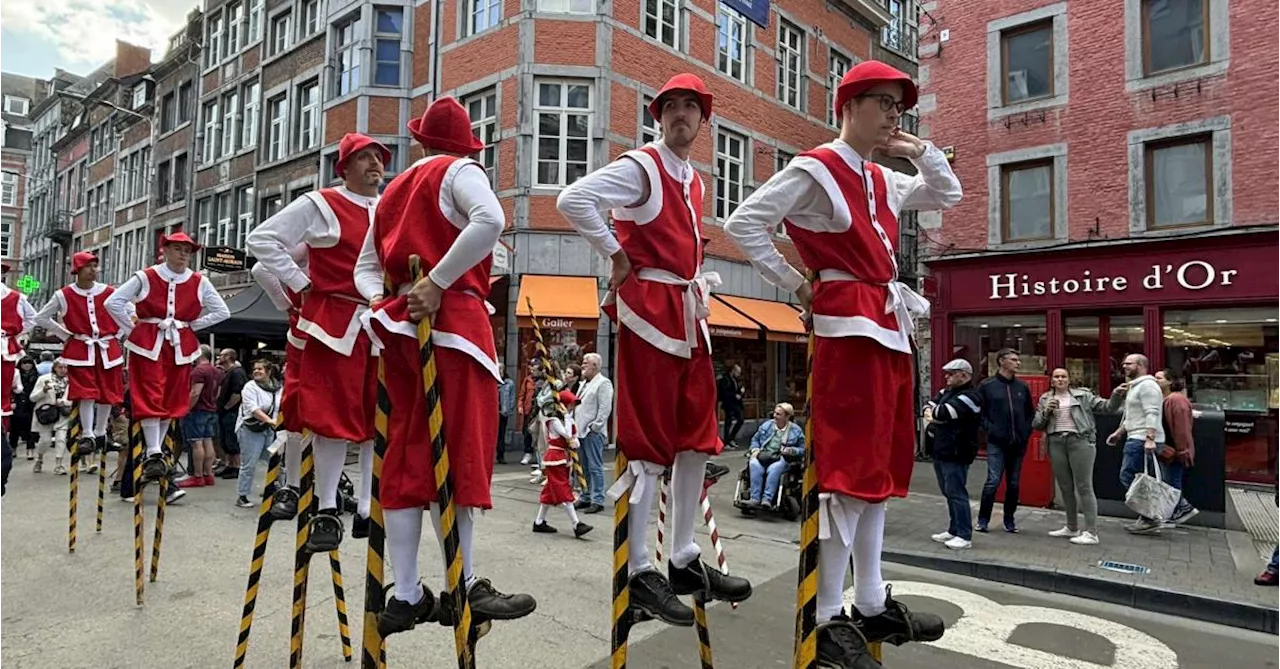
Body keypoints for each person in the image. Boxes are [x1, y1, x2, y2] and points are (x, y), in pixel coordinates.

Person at [723, 60, 960, 667]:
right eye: (883, 102)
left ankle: (872, 597)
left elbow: (947, 192)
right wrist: (795, 284)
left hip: (885, 324)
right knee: (846, 475)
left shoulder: (883, 177)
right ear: (849, 105)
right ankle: (829, 614)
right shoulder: (815, 168)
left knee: (877, 472)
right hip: (848, 323)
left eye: (898, 106)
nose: (892, 114)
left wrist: (920, 147)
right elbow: (746, 221)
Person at [558, 73, 753, 627]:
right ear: (659, 116)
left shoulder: (692, 178)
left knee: (697, 438)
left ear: (702, 120)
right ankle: (641, 568)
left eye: (691, 107)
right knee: (648, 445)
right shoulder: (643, 166)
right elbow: (576, 199)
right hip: (651, 314)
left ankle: (685, 556)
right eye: (671, 107)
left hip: (687, 313)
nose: (681, 115)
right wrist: (616, 254)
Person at [354, 97, 537, 636]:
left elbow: (365, 269)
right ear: (466, 144)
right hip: (452, 322)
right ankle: (466, 582)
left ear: (421, 140)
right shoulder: (460, 171)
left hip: (399, 327)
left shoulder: (391, 192)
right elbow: (491, 220)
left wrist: (383, 299)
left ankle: (407, 592)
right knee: (459, 454)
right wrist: (436, 283)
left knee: (410, 456)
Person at [246, 133, 389, 549]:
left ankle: (366, 504)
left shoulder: (390, 207)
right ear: (343, 167)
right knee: (327, 418)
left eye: (378, 157)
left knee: (375, 420)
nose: (374, 164)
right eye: (363, 158)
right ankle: (326, 506)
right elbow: (261, 241)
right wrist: (300, 284)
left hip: (381, 325)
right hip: (333, 325)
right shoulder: (321, 203)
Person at [104, 233, 230, 484]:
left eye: (187, 250)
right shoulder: (146, 276)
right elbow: (113, 302)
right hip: (149, 342)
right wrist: (134, 331)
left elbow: (222, 311)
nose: (183, 254)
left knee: (172, 397)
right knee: (151, 391)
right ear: (165, 250)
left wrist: (190, 326)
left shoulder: (199, 281)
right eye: (177, 249)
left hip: (179, 344)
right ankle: (152, 450)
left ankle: (157, 450)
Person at [33, 251, 126, 459]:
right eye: (89, 266)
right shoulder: (64, 295)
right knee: (85, 392)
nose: (94, 270)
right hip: (81, 348)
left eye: (96, 266)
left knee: (107, 392)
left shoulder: (110, 292)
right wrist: (66, 335)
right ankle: (88, 434)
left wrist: (117, 334)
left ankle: (102, 433)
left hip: (106, 348)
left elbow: (128, 313)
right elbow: (42, 317)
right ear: (78, 269)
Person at [249, 248, 308, 519]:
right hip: (338, 328)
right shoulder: (309, 241)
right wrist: (288, 301)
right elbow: (261, 268)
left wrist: (286, 303)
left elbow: (262, 269)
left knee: (301, 411)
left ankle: (295, 486)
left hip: (307, 329)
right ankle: (312, 488)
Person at [1031, 368, 1108, 545]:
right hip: (1056, 442)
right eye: (1056, 377)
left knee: (1084, 486)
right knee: (1065, 486)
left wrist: (1118, 396)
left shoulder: (1082, 396)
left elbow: (1106, 407)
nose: (1060, 379)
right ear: (1051, 381)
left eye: (1063, 376)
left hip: (1079, 441)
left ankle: (1091, 532)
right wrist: (1046, 412)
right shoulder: (1045, 398)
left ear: (1069, 379)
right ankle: (1071, 527)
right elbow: (1037, 425)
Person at [1104, 353, 1167, 535]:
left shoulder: (1148, 386)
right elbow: (1133, 416)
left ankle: (1151, 517)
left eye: (1129, 364)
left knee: (1130, 477)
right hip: (1136, 438)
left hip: (1141, 440)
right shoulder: (1136, 386)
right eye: (1124, 363)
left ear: (1140, 365)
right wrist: (1119, 433)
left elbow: (1152, 413)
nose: (1124, 366)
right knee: (1141, 480)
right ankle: (1149, 517)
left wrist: (1149, 439)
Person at [975, 348, 1036, 533]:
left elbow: (1029, 413)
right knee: (993, 480)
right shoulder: (987, 385)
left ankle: (1009, 520)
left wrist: (1025, 432)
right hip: (996, 441)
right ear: (1001, 361)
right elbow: (978, 411)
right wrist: (989, 429)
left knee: (1014, 483)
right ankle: (983, 519)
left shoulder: (1022, 387)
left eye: (1018, 360)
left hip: (1018, 442)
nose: (1018, 363)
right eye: (1014, 360)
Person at [924, 359, 983, 550]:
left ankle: (964, 535)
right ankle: (953, 529)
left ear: (964, 375)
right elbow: (928, 406)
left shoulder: (971, 396)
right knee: (948, 492)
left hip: (958, 451)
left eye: (951, 373)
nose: (947, 377)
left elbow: (942, 412)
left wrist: (934, 413)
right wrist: (933, 411)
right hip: (941, 449)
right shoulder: (947, 392)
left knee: (957, 493)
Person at [532, 389, 592, 537]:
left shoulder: (567, 420)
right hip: (555, 458)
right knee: (563, 489)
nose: (572, 407)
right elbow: (567, 435)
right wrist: (567, 418)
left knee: (550, 491)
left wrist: (574, 441)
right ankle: (576, 524)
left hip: (564, 458)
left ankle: (539, 522)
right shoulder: (554, 421)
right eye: (570, 404)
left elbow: (574, 437)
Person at [235, 359, 284, 508]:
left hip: (269, 430)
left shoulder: (278, 388)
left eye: (260, 369)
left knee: (275, 461)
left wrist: (274, 423)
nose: (256, 371)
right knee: (249, 464)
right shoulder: (250, 387)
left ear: (268, 372)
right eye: (255, 369)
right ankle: (242, 496)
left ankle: (279, 491)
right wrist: (270, 421)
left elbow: (278, 408)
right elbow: (252, 409)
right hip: (251, 430)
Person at [1154, 369, 1198, 526]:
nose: (1155, 381)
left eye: (1158, 378)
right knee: (1168, 482)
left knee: (1172, 481)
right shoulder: (1168, 399)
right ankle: (1173, 512)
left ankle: (1180, 509)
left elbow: (1182, 428)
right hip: (1168, 450)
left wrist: (1183, 450)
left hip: (1174, 451)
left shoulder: (1176, 400)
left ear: (1170, 381)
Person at [743, 402, 804, 509]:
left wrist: (792, 450)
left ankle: (767, 499)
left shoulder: (796, 430)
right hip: (763, 455)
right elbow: (755, 439)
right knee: (753, 464)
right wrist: (755, 449)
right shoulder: (767, 425)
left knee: (775, 469)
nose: (775, 416)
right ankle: (755, 499)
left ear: (787, 416)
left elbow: (803, 449)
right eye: (775, 413)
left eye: (778, 414)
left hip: (781, 458)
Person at [572, 352, 612, 513]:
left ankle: (598, 499)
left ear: (595, 365)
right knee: (583, 466)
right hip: (580, 431)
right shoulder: (584, 384)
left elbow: (605, 408)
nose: (582, 365)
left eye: (585, 363)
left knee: (595, 466)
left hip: (591, 432)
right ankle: (585, 495)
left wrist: (595, 427)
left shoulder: (603, 383)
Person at [0, 261, 37, 432]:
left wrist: (15, 333)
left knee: (3, 392)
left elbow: (32, 318)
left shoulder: (16, 298)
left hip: (5, 348)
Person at [179, 346, 222, 487]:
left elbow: (195, 392)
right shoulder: (216, 371)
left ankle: (197, 475)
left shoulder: (199, 371)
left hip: (197, 410)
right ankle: (208, 474)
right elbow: (218, 392)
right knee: (208, 441)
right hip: (210, 409)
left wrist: (186, 409)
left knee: (196, 443)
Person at [30, 359, 74, 475]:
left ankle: (58, 465)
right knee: (45, 440)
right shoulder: (43, 379)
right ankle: (39, 459)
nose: (63, 370)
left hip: (62, 414)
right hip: (46, 414)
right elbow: (32, 398)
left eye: (65, 367)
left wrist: (64, 402)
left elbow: (72, 398)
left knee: (61, 439)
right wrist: (43, 391)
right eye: (60, 367)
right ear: (54, 367)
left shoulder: (70, 381)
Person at [217, 348, 249, 477]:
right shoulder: (227, 372)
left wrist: (227, 407)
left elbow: (237, 393)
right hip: (224, 412)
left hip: (232, 413)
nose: (219, 357)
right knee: (225, 439)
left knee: (232, 439)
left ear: (230, 356)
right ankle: (229, 465)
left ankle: (236, 466)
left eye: (222, 355)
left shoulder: (237, 373)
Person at [9, 356, 38, 460]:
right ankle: (13, 448)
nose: (27, 365)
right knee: (14, 428)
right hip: (17, 403)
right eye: (24, 363)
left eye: (29, 363)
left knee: (30, 428)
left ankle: (30, 450)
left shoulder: (36, 376)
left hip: (31, 404)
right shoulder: (15, 374)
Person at [717, 364, 745, 448]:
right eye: (738, 372)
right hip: (729, 403)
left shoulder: (735, 380)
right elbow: (724, 392)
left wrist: (740, 391)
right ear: (733, 371)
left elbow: (735, 389)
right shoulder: (725, 379)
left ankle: (730, 438)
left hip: (735, 403)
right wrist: (734, 395)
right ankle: (727, 440)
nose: (739, 374)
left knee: (739, 419)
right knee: (729, 421)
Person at [496, 366, 515, 464]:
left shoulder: (509, 383)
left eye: (501, 369)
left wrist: (509, 409)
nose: (499, 372)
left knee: (501, 434)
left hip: (503, 412)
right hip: (493, 412)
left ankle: (500, 455)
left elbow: (512, 397)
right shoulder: (491, 380)